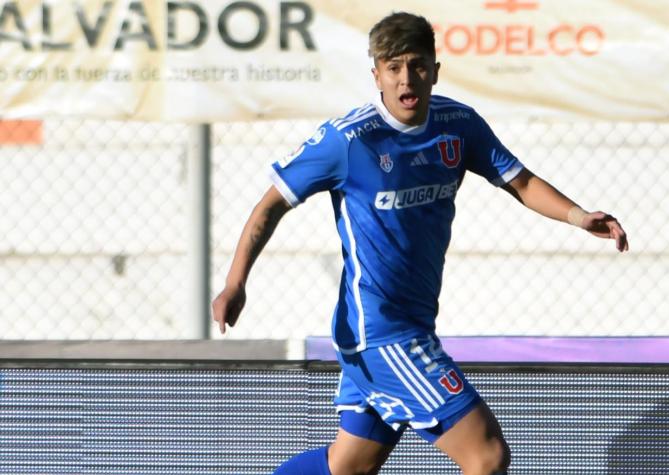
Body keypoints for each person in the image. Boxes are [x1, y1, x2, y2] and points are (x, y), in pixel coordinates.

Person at [211, 11, 628, 475]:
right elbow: (269, 205)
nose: (406, 78)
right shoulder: (350, 140)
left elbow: (521, 181)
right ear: (377, 76)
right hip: (383, 333)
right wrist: (235, 284)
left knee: (347, 466)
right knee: (486, 456)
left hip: (403, 326)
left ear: (435, 69)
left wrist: (577, 215)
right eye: (393, 67)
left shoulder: (458, 124)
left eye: (417, 65)